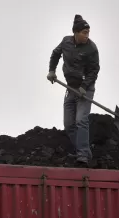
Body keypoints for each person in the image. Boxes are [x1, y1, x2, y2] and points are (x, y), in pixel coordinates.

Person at [47, 14, 100, 166]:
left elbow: (94, 70)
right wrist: (52, 70)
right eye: (84, 33)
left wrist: (84, 86)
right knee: (69, 124)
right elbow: (56, 53)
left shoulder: (91, 48)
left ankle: (82, 155)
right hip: (70, 89)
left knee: (81, 120)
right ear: (75, 33)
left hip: (85, 89)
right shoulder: (66, 42)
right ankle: (83, 151)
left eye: (88, 33)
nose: (87, 36)